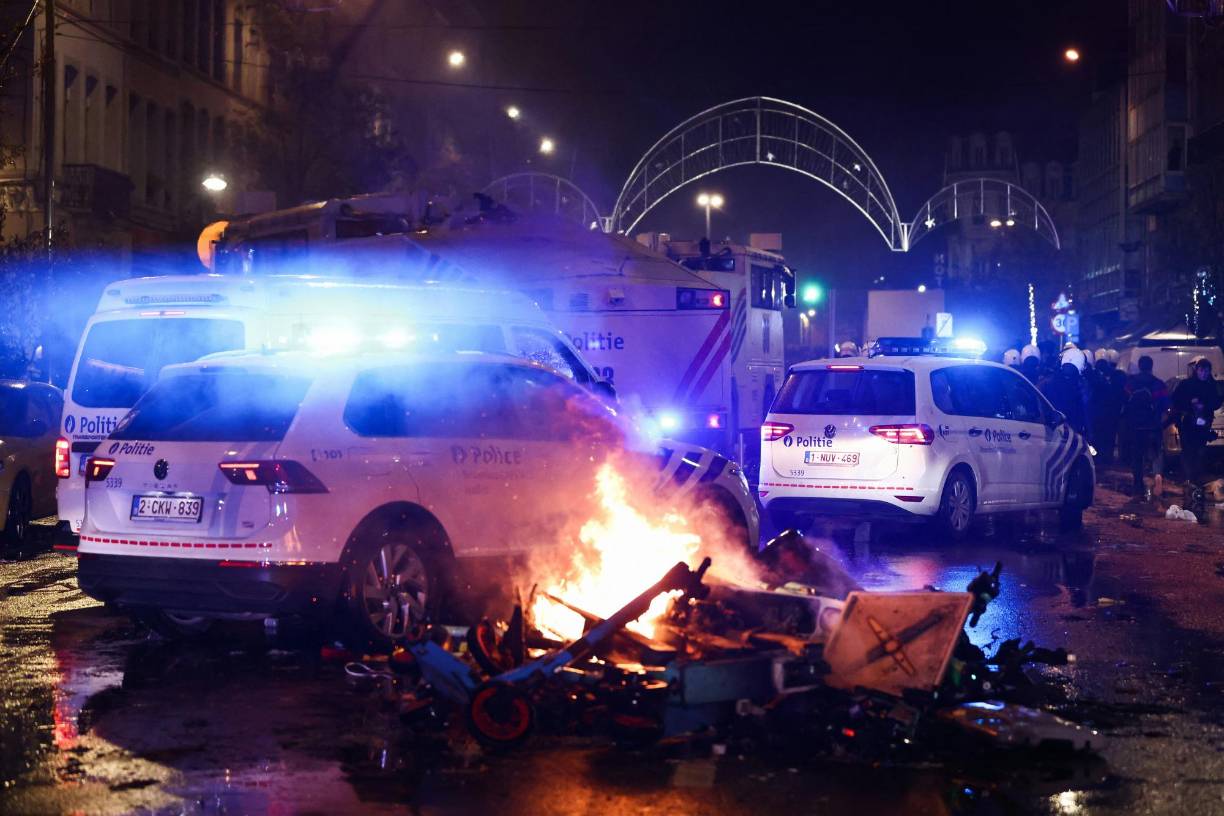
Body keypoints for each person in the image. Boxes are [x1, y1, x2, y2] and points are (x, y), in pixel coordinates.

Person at [1171, 357, 1222, 500]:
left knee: (1200, 450)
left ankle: (1196, 478)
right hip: (1188, 423)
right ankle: (1189, 479)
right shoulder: (1187, 384)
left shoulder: (1210, 386)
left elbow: (1217, 401)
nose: (1204, 374)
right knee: (1188, 450)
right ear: (1197, 371)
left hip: (1204, 424)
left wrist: (1205, 405)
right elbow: (1176, 400)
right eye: (1202, 370)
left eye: (1207, 371)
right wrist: (1190, 403)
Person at [1123, 355, 1170, 496]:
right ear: (1151, 366)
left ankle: (1138, 483)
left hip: (1136, 427)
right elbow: (1166, 405)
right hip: (1153, 426)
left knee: (1137, 456)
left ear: (1139, 366)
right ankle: (1157, 476)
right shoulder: (1158, 384)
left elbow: (1124, 402)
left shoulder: (1130, 383)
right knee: (1156, 454)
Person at [1042, 353, 1090, 437]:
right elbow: (1085, 410)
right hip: (1072, 429)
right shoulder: (1080, 386)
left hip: (1050, 428)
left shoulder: (1049, 381)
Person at [1090, 358, 1124, 467]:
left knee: (1102, 438)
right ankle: (1105, 459)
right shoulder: (1114, 378)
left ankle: (1101, 459)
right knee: (1108, 438)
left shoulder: (1099, 380)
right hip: (1109, 414)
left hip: (1102, 414)